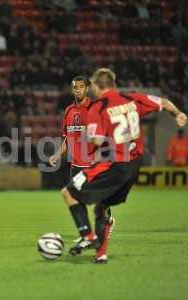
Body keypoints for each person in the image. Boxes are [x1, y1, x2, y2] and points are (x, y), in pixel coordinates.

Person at [60, 68, 187, 264]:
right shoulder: (132, 98)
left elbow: (96, 140)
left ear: (96, 85)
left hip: (115, 165)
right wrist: (178, 114)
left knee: (68, 193)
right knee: (101, 207)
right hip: (134, 165)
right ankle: (101, 255)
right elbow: (163, 102)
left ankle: (88, 236)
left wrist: (87, 141)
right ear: (113, 83)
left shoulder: (99, 107)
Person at [49, 77, 115, 240]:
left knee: (99, 199)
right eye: (75, 87)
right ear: (72, 90)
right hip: (76, 164)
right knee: (78, 199)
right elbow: (67, 137)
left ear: (87, 89)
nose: (78, 90)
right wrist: (57, 154)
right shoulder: (69, 111)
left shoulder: (95, 108)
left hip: (93, 164)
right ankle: (87, 233)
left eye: (81, 87)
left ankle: (108, 222)